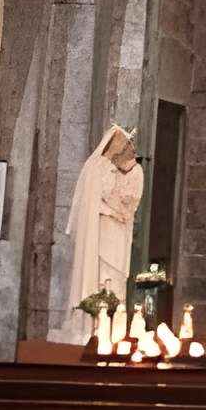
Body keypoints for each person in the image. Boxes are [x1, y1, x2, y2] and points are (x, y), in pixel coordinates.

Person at [57, 123, 143, 344]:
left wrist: (117, 209)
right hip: (100, 231)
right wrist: (111, 208)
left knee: (114, 279)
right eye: (123, 143)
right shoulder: (99, 167)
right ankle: (91, 326)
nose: (127, 147)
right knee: (98, 276)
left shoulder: (133, 171)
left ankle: (110, 329)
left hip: (117, 233)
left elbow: (128, 204)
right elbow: (94, 200)